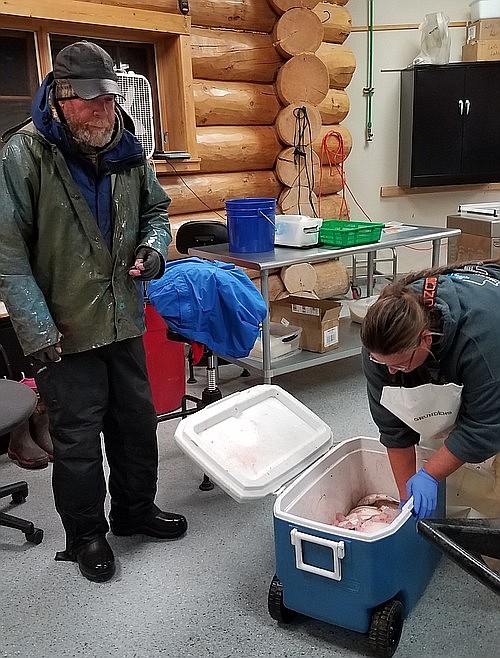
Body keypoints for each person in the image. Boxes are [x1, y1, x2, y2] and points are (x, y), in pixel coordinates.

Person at [0, 40, 187, 582]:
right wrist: (37, 332)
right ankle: (86, 535)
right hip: (62, 329)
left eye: (108, 95)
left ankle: (134, 512)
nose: (103, 107)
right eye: (90, 99)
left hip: (122, 317)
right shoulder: (23, 154)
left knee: (135, 425)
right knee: (77, 440)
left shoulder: (126, 147)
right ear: (61, 98)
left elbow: (156, 210)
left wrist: (153, 250)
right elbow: (8, 255)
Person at [360, 259, 500, 521]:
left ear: (427, 340)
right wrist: (406, 500)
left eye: (400, 363)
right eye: (383, 363)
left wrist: (430, 474)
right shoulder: (381, 345)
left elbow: (485, 426)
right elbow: (393, 428)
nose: (389, 372)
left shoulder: (482, 340)